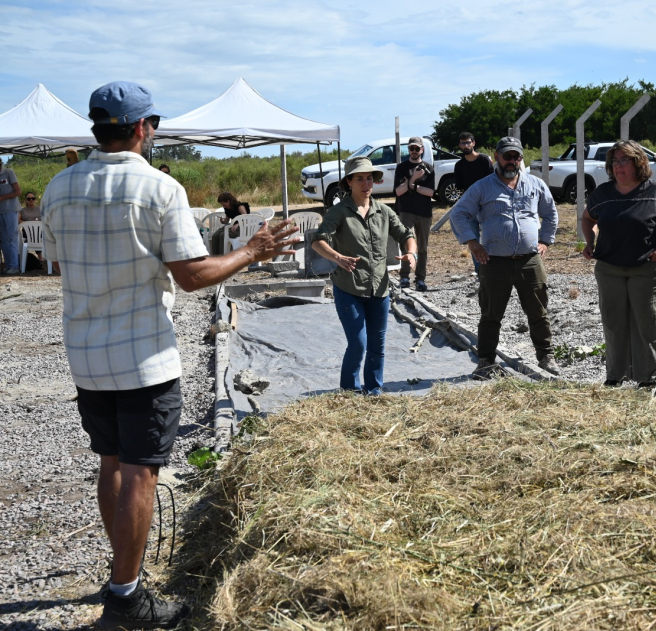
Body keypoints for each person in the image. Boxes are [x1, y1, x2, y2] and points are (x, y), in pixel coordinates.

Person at [40, 81, 299, 630]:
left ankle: (123, 576)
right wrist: (253, 251)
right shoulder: (159, 188)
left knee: (111, 463)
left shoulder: (60, 188)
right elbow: (192, 277)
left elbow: (60, 267)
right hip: (143, 355)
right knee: (141, 471)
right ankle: (127, 597)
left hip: (86, 354)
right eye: (152, 125)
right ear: (141, 128)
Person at [450, 136, 561, 377]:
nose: (511, 162)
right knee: (491, 314)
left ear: (521, 159)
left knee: (538, 311)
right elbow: (458, 214)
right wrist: (472, 242)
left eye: (516, 157)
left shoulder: (535, 184)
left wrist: (545, 241)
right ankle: (486, 361)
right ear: (496, 158)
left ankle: (546, 356)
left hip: (530, 260)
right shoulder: (482, 187)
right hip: (494, 262)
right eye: (507, 156)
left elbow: (551, 213)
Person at [581, 140, 656, 387]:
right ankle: (615, 376)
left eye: (624, 161)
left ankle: (648, 378)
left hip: (648, 269)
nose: (618, 166)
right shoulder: (603, 193)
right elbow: (587, 218)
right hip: (610, 269)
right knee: (614, 323)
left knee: (648, 324)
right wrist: (589, 242)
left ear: (638, 163)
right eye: (614, 162)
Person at [312, 156, 418, 394]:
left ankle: (374, 391)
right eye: (359, 178)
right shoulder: (339, 212)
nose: (366, 183)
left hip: (380, 289)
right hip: (349, 289)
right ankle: (350, 392)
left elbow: (406, 234)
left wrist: (412, 254)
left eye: (369, 178)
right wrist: (337, 257)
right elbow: (317, 241)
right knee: (358, 344)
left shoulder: (384, 211)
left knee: (377, 345)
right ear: (349, 182)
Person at [394, 136, 434, 291]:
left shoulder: (429, 168)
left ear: (422, 149)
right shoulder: (401, 167)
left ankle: (420, 279)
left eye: (417, 148)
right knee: (406, 244)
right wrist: (414, 179)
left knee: (423, 247)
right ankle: (404, 277)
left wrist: (411, 185)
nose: (414, 151)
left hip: (424, 212)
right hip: (406, 211)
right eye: (411, 148)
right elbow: (398, 191)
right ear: (408, 150)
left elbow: (430, 192)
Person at [453, 132, 493, 274]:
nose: (466, 145)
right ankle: (480, 271)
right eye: (463, 143)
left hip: (487, 206)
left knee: (490, 237)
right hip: (470, 208)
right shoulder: (459, 165)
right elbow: (460, 188)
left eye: (468, 142)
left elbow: (493, 182)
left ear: (473, 143)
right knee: (473, 240)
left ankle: (492, 269)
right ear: (459, 145)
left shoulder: (484, 160)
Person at [0, 157, 22, 274]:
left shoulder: (8, 172)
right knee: (3, 239)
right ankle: (8, 265)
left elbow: (18, 191)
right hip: (1, 211)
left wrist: (2, 198)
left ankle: (14, 266)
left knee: (11, 238)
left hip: (11, 210)